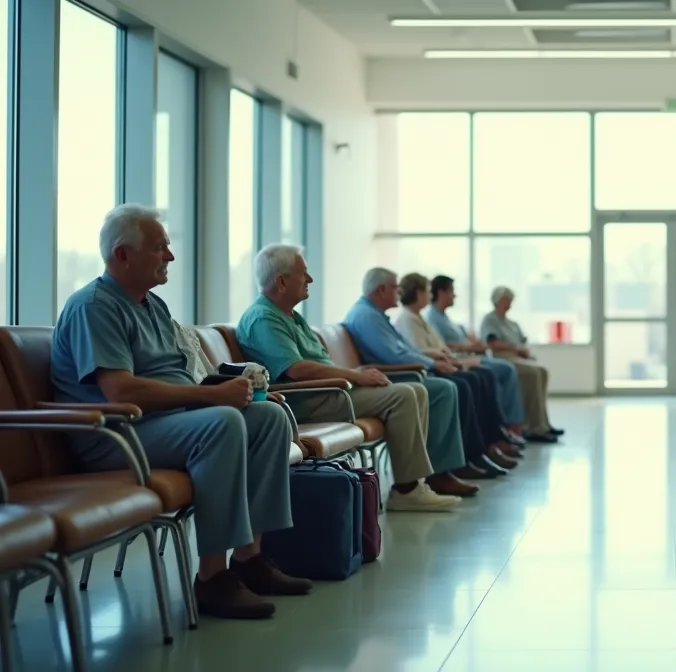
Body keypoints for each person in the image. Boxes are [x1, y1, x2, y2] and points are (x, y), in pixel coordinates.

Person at [51, 204, 310, 620]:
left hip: (168, 424)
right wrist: (210, 399)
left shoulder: (153, 306)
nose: (170, 256)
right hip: (115, 435)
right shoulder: (94, 306)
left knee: (268, 419)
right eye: (160, 248)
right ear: (122, 255)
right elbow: (120, 390)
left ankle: (249, 558)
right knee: (222, 423)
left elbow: (179, 377)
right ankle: (212, 578)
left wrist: (229, 391)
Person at [236, 245, 469, 503]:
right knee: (403, 395)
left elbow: (317, 361)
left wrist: (355, 374)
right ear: (281, 281)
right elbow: (297, 368)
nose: (310, 279)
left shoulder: (290, 316)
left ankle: (415, 482)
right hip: (308, 400)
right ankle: (407, 490)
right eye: (304, 274)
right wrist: (356, 376)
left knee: (415, 389)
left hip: (330, 390)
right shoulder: (264, 319)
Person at [344, 268, 521, 474]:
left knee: (470, 380)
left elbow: (405, 351)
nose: (399, 292)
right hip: (394, 375)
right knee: (455, 386)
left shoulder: (376, 315)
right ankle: (451, 466)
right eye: (395, 287)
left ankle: (478, 451)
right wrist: (432, 363)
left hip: (398, 372)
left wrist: (432, 359)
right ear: (381, 289)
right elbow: (396, 356)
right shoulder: (368, 316)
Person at [391, 273, 536, 447]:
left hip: (449, 361)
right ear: (418, 293)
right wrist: (456, 355)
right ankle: (490, 440)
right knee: (478, 378)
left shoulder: (419, 317)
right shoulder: (409, 319)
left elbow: (439, 345)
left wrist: (454, 354)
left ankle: (494, 438)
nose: (430, 296)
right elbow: (422, 351)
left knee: (483, 376)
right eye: (427, 291)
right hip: (433, 368)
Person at [428, 276, 557, 443]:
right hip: (471, 357)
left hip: (474, 356)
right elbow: (483, 343)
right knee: (512, 371)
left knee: (541, 371)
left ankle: (540, 423)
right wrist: (471, 347)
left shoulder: (446, 318)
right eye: (452, 291)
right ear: (441, 292)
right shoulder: (434, 318)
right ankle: (515, 427)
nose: (455, 295)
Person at [477, 285, 565, 440]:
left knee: (542, 371)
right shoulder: (490, 319)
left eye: (510, 300)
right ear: (496, 301)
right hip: (503, 358)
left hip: (518, 358)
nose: (509, 304)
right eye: (505, 300)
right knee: (532, 373)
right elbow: (492, 343)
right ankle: (533, 427)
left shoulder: (512, 323)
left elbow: (523, 342)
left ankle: (543, 423)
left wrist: (524, 352)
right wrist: (515, 348)